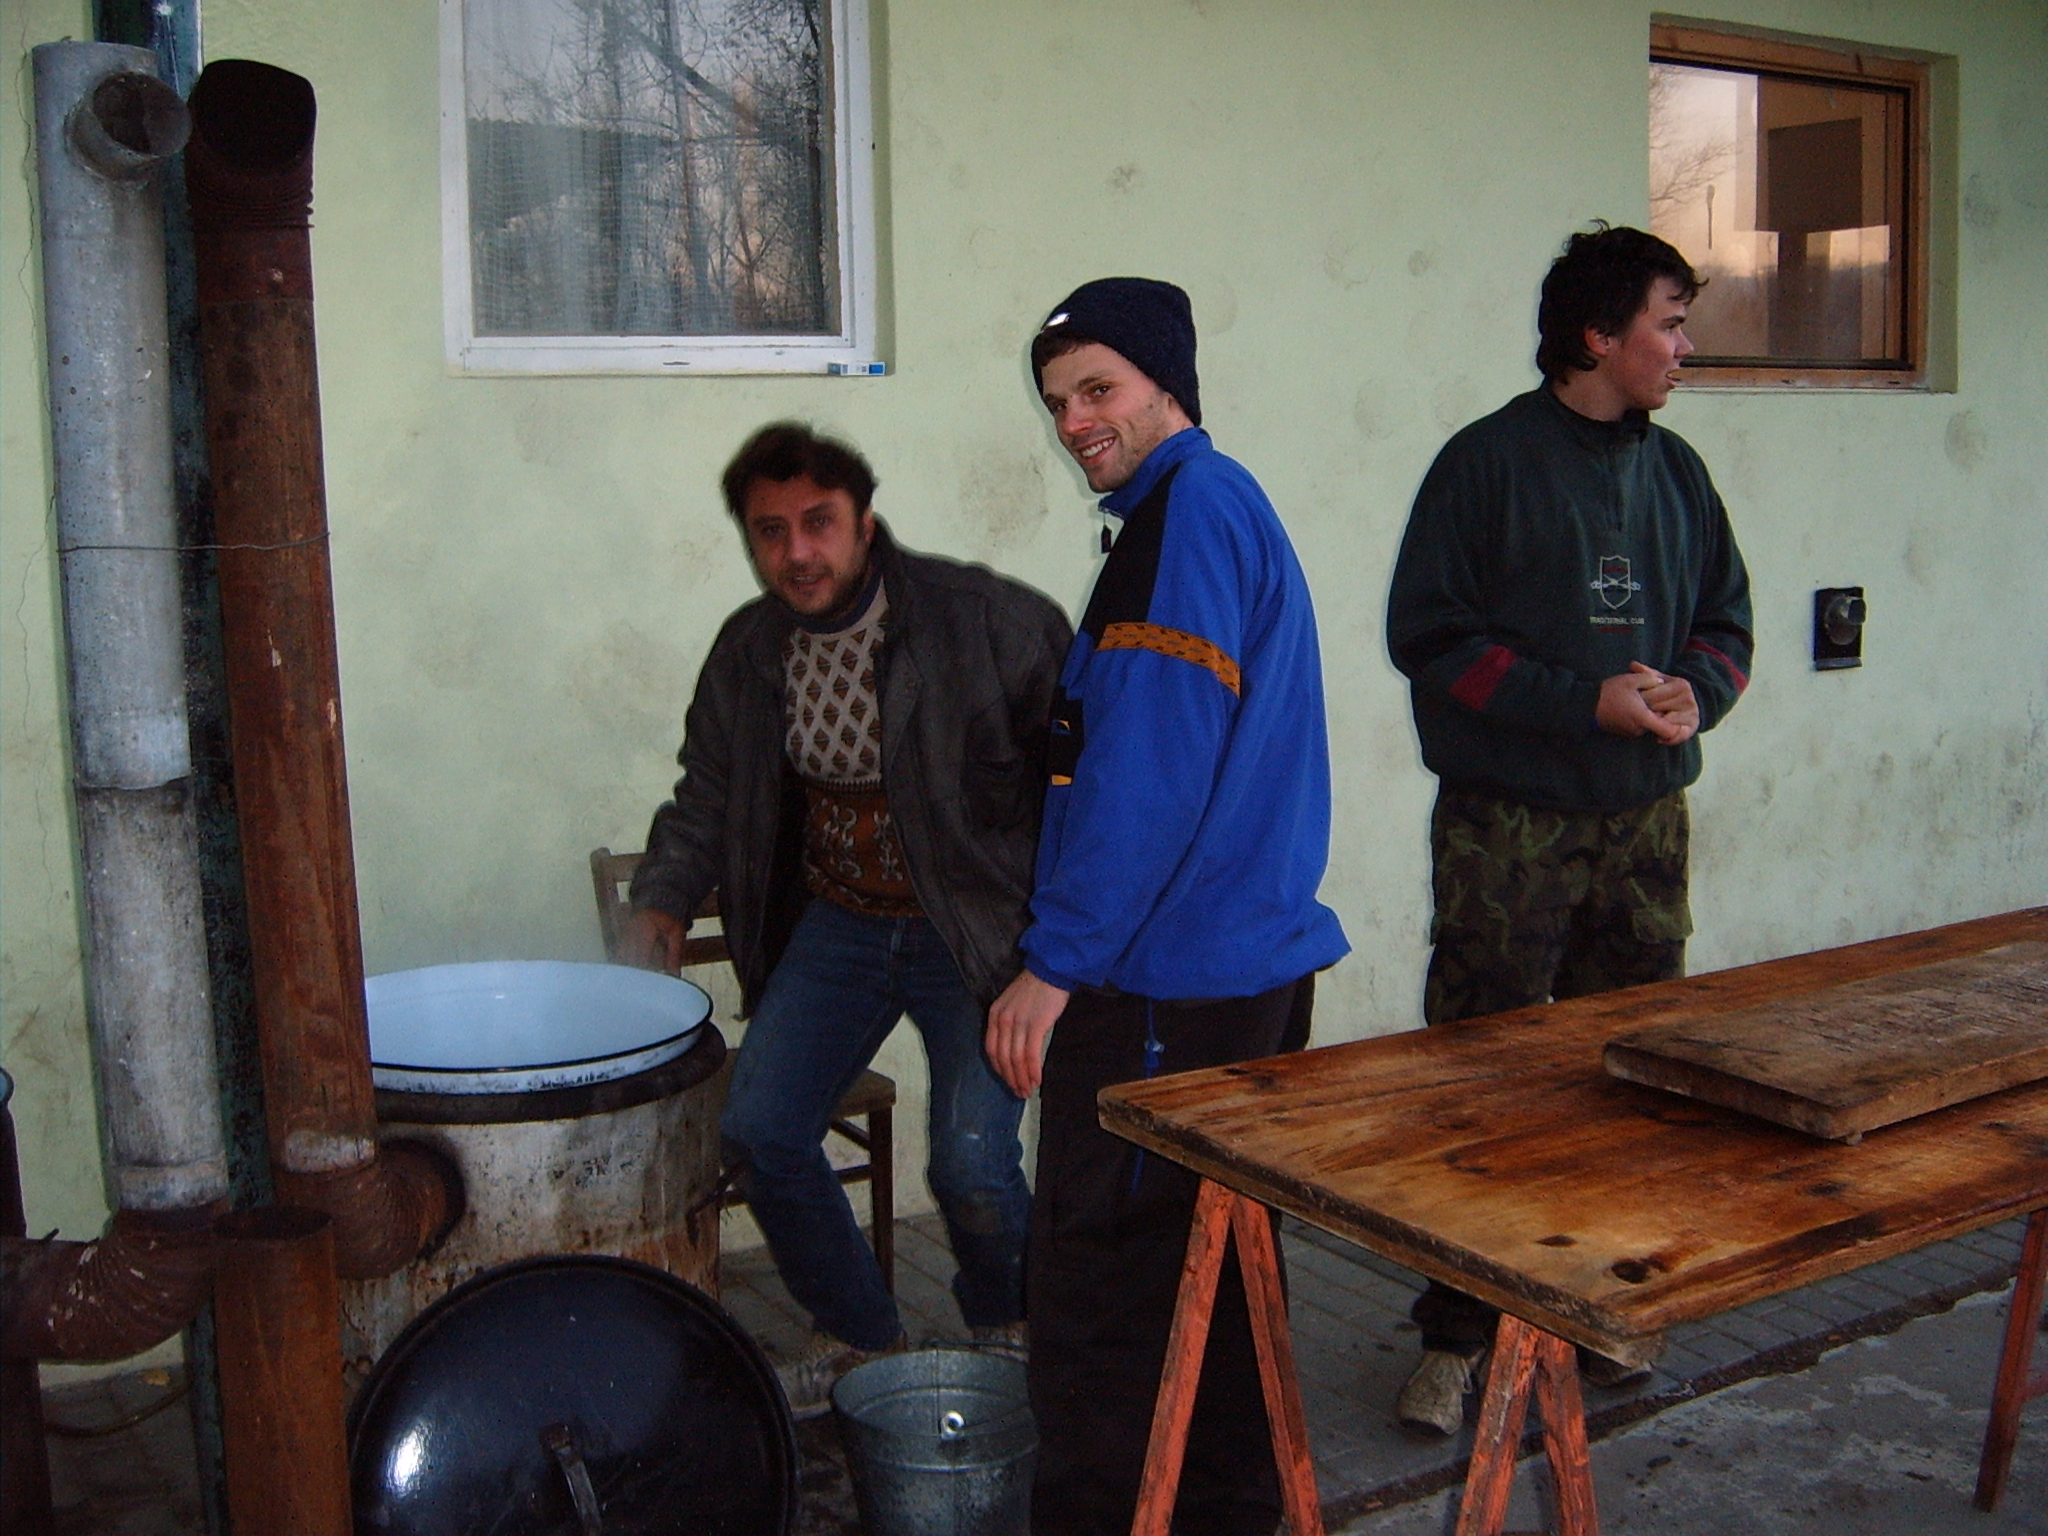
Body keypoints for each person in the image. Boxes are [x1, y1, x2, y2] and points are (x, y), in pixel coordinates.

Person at [986, 278, 1350, 1536]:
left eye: (1098, 389)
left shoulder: (1185, 517)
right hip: (1234, 971)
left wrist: (1053, 963)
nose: (1074, 422)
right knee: (1220, 1282)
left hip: (1161, 986)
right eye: (1056, 402)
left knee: (1102, 1298)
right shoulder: (1211, 506)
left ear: (1166, 387)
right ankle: (1228, 1513)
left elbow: (1145, 769)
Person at [617, 422, 1071, 1415]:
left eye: (817, 523)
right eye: (769, 531)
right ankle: (861, 1338)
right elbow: (706, 793)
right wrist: (662, 896)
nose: (797, 552)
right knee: (760, 1128)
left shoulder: (987, 622)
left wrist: (1064, 945)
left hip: (974, 934)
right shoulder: (750, 651)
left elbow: (1086, 785)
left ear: (864, 523)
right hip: (843, 924)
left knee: (970, 1163)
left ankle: (1013, 1327)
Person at [1384, 224, 1754, 1435]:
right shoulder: (1485, 464)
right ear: (1596, 335)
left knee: (1636, 1073)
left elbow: (1727, 621)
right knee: (1484, 1082)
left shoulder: (1677, 473)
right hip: (1509, 830)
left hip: (1645, 827)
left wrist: (1695, 690)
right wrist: (1576, 703)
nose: (1683, 349)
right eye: (1668, 324)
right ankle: (1456, 1336)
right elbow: (1429, 640)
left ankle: (1601, 1303)